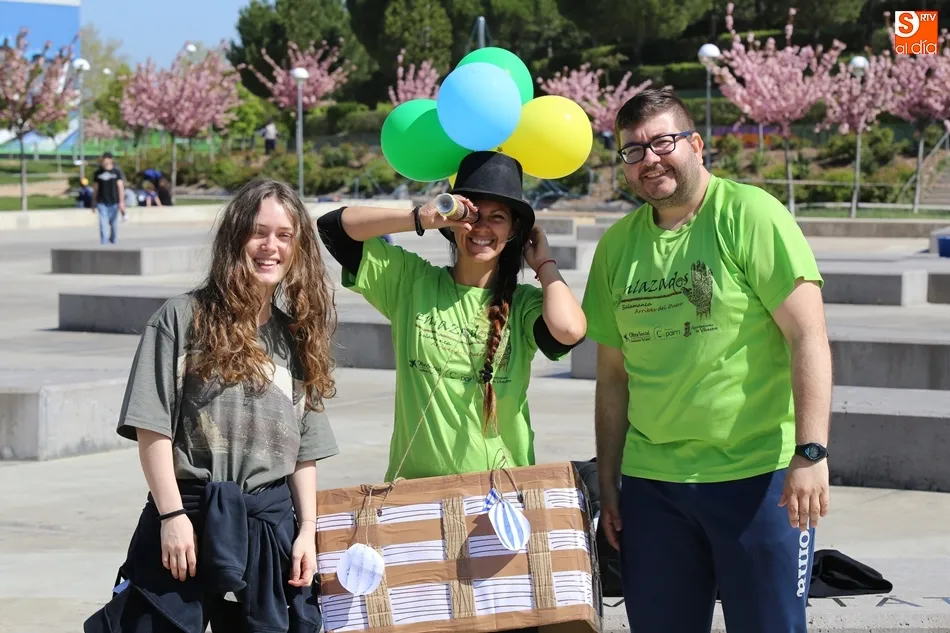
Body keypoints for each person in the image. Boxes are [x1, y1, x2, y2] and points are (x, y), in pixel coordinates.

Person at [582, 87, 833, 633]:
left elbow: (808, 335)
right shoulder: (616, 247)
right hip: (653, 487)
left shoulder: (749, 214)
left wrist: (811, 452)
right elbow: (612, 376)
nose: (649, 159)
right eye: (633, 150)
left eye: (662, 142)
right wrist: (609, 480)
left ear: (696, 145)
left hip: (758, 479)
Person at [84, 178, 340, 633]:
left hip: (269, 527)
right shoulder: (181, 318)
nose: (271, 247)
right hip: (188, 517)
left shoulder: (296, 337)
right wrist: (171, 516)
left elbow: (304, 451)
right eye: (258, 233)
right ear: (234, 238)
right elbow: (151, 429)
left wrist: (307, 530)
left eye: (284, 236)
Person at [317, 150, 587, 485]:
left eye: (497, 217)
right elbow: (333, 227)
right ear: (453, 220)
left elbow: (569, 330)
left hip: (502, 493)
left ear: (514, 230)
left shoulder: (523, 304)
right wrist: (419, 217)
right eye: (473, 214)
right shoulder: (411, 282)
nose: (482, 227)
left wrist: (544, 263)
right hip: (417, 492)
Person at [92, 152, 126, 244]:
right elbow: (95, 188)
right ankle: (104, 242)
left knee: (113, 224)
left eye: (107, 159)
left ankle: (113, 240)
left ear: (111, 160)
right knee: (103, 223)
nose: (105, 162)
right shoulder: (98, 173)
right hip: (102, 202)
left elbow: (120, 187)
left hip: (114, 202)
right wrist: (93, 201)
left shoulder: (116, 172)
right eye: (103, 160)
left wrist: (122, 202)